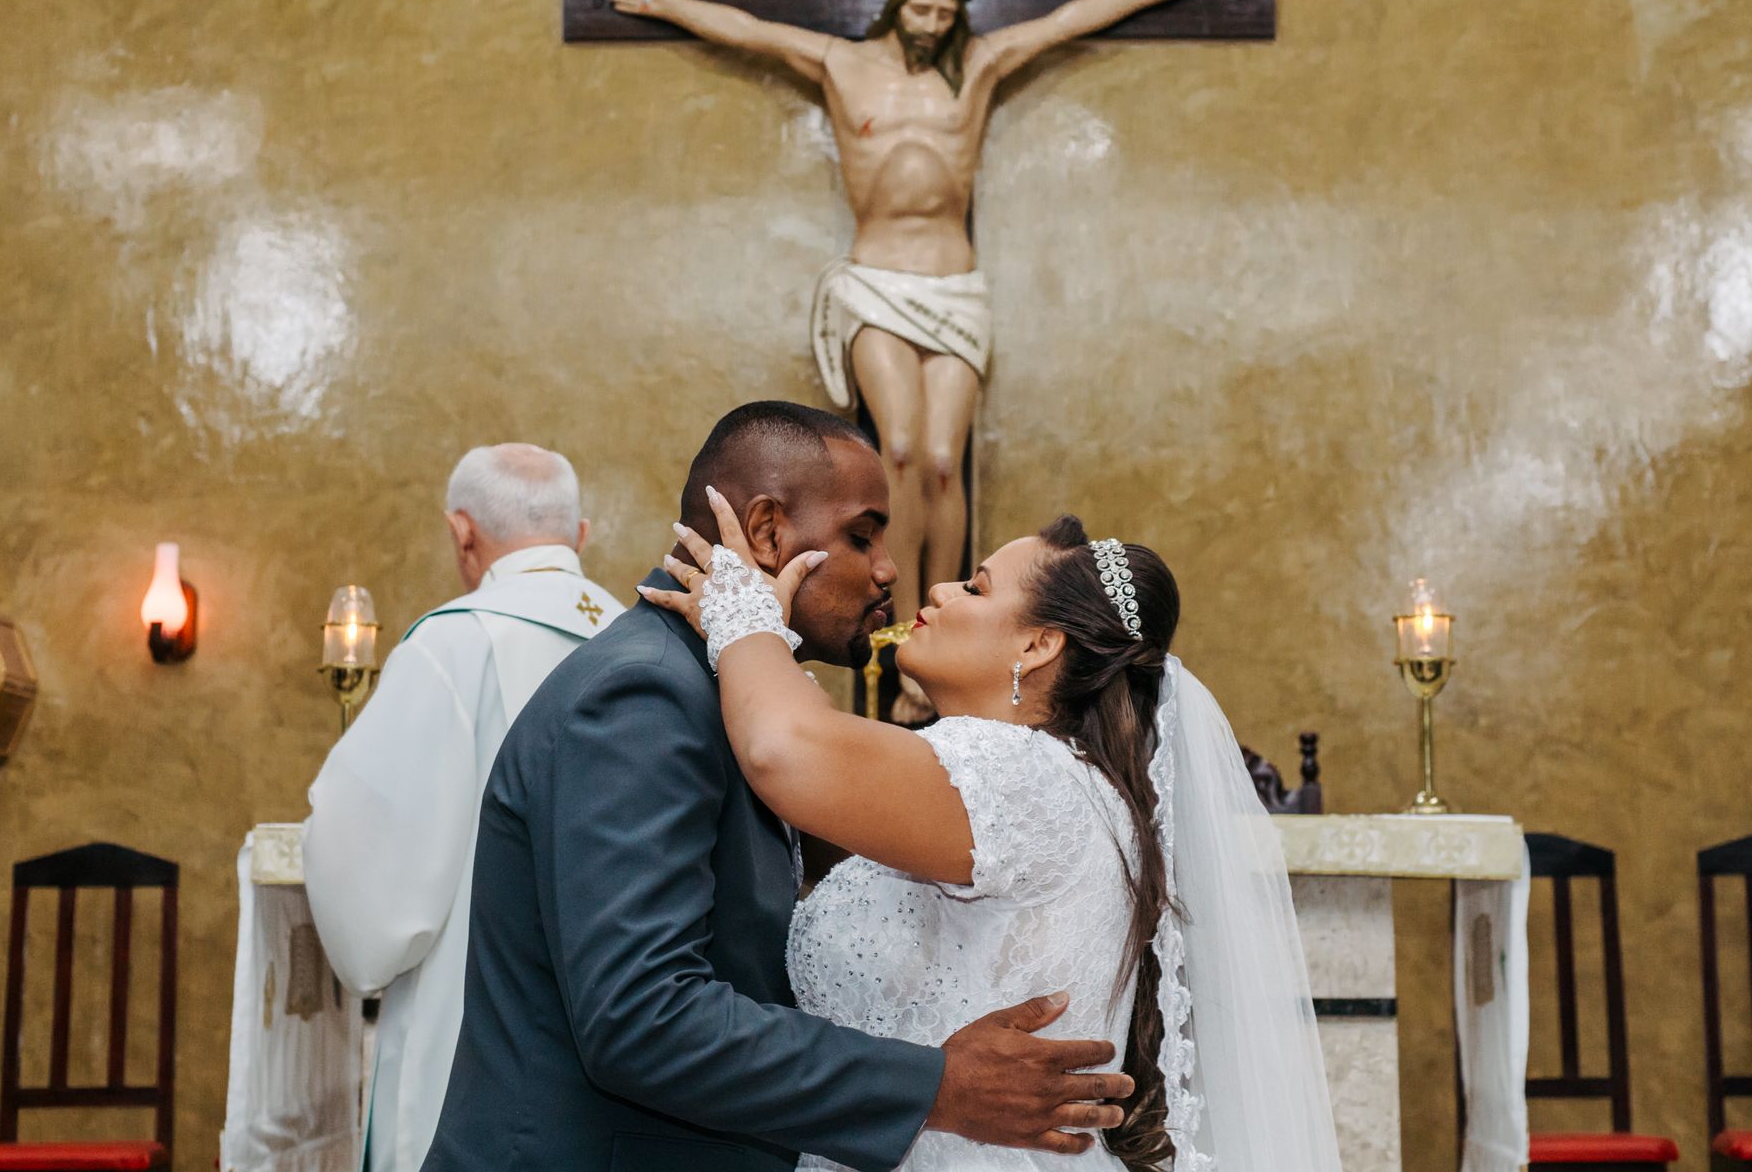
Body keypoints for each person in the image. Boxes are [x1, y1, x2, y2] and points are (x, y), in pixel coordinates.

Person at [422, 401, 1133, 1172]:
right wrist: (932, 1086)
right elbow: (642, 1016)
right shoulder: (643, 697)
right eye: (863, 535)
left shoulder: (732, 694)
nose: (892, 570)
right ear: (766, 533)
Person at [642, 486, 1345, 1171]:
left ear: (1038, 645)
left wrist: (743, 614)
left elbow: (784, 752)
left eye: (975, 588)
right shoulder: (1047, 782)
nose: (939, 592)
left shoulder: (1020, 777)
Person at [607, 0, 1212, 722]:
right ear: (897, 5)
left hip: (954, 285)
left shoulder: (980, 65)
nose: (933, 24)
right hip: (877, 278)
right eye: (921, 9)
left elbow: (1061, 25)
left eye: (944, 13)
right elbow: (751, 31)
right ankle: (891, 632)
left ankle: (935, 629)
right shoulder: (841, 62)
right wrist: (672, 3)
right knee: (894, 451)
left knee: (938, 461)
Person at [303, 443, 620, 1172]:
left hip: (474, 1034)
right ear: (580, 536)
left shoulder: (451, 645)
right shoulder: (652, 644)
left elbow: (370, 863)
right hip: (624, 1040)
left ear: (462, 532)